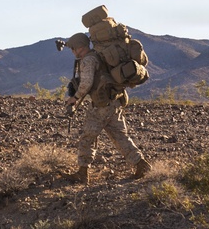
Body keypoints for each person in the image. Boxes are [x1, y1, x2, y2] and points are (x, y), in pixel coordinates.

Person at [64, 32, 151, 184]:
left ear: (79, 48)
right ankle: (141, 164)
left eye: (73, 48)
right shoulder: (98, 56)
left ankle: (83, 172)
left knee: (88, 137)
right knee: (120, 136)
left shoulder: (88, 60)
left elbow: (86, 83)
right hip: (113, 102)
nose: (72, 52)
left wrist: (75, 98)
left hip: (101, 106)